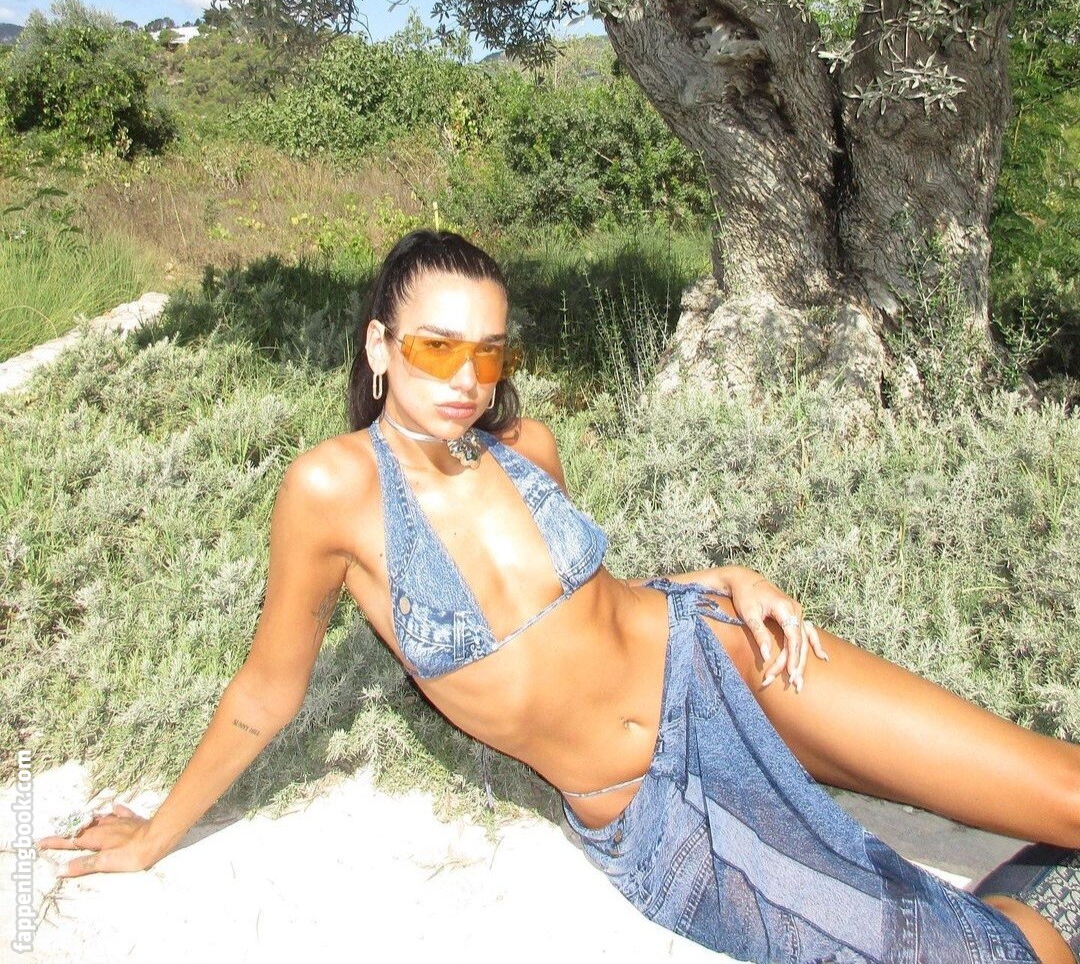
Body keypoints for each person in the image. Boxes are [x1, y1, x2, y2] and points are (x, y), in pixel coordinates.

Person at [38, 231, 1079, 963]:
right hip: (653, 810)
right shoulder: (332, 490)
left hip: (721, 658)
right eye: (436, 345)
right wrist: (156, 834)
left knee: (1064, 794)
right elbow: (268, 692)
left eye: (489, 351)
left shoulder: (525, 446)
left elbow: (588, 604)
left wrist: (718, 579)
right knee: (1000, 950)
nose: (468, 376)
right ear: (378, 346)